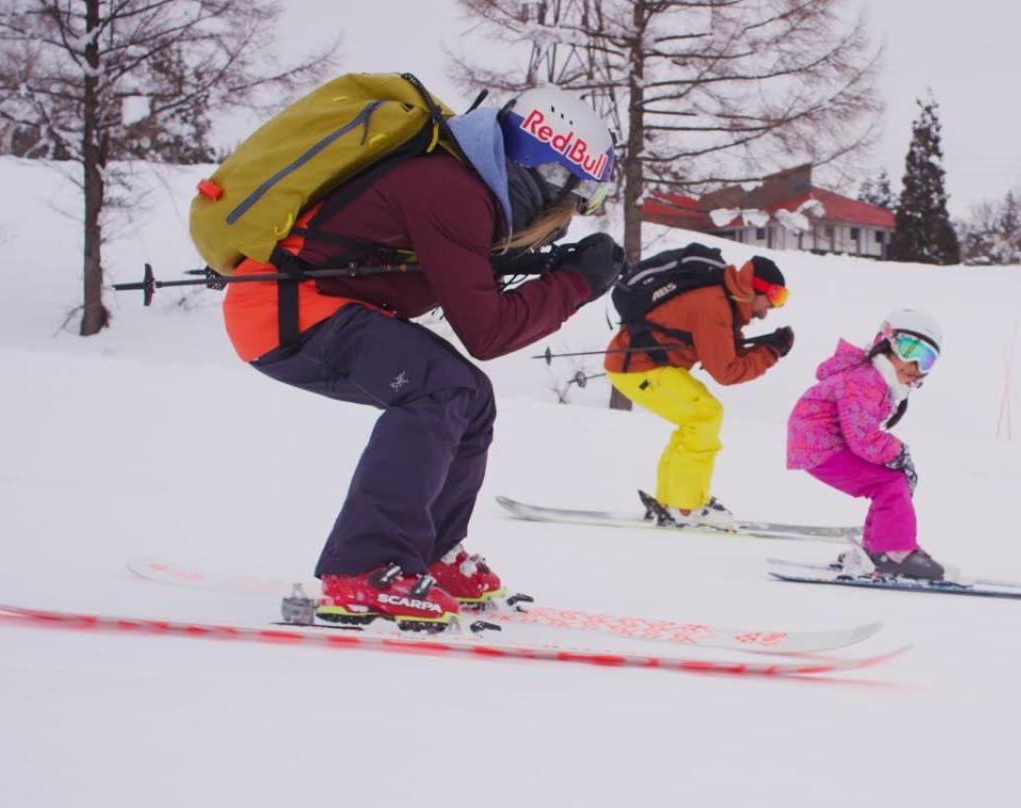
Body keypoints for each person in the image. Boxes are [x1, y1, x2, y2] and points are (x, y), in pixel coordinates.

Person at [222, 86, 624, 631]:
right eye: (579, 197)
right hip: (282, 310)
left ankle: (431, 551)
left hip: (309, 308)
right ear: (547, 172)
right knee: (442, 388)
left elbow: (461, 272)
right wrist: (576, 282)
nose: (573, 214)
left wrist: (554, 268)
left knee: (470, 396)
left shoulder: (460, 187)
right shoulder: (451, 189)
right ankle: (366, 567)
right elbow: (488, 331)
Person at [602, 256, 795, 531]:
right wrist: (770, 353)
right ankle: (685, 506)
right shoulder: (714, 305)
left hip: (641, 366)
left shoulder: (724, 300)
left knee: (697, 420)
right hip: (638, 369)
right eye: (774, 297)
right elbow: (726, 371)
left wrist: (766, 346)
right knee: (705, 416)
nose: (771, 309)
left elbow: (727, 353)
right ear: (753, 288)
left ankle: (674, 501)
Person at [785, 309, 951, 580]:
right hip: (821, 445)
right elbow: (862, 437)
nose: (915, 367)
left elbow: (861, 434)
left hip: (821, 443)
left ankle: (878, 548)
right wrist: (898, 452)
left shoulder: (873, 380)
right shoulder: (866, 381)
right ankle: (894, 551)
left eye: (926, 360)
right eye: (910, 350)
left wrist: (895, 458)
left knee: (888, 482)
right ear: (885, 343)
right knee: (890, 483)